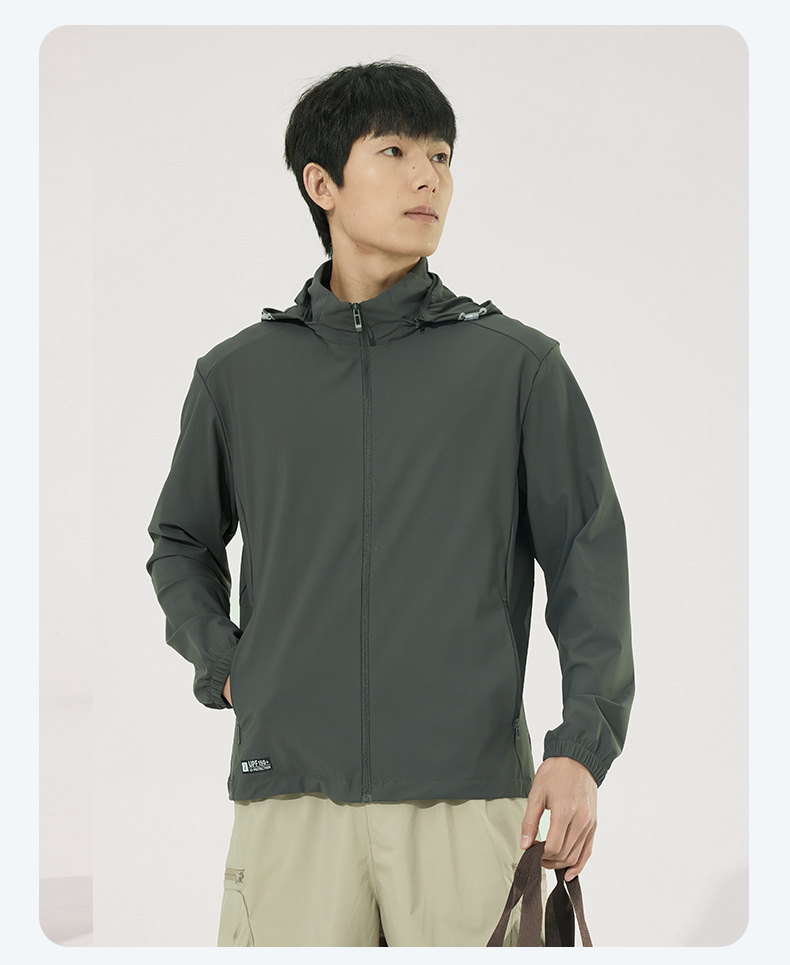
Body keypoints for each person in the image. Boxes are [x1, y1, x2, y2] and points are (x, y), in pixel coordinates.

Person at [145, 59, 635, 947]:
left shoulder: (516, 369)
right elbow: (180, 540)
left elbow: (586, 557)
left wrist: (581, 745)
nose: (428, 178)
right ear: (322, 183)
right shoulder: (238, 377)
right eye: (397, 151)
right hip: (290, 795)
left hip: (467, 797)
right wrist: (228, 663)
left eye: (442, 156)